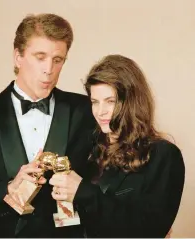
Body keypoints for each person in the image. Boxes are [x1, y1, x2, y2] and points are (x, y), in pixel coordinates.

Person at [0, 13, 95, 238]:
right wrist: (8, 189)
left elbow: (112, 184)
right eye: (40, 57)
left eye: (58, 60)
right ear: (18, 57)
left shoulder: (87, 111)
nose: (49, 69)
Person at [49, 54, 185, 238]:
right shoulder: (88, 150)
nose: (100, 111)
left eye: (110, 101)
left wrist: (82, 192)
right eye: (95, 102)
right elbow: (69, 223)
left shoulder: (164, 155)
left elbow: (151, 230)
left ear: (131, 101)